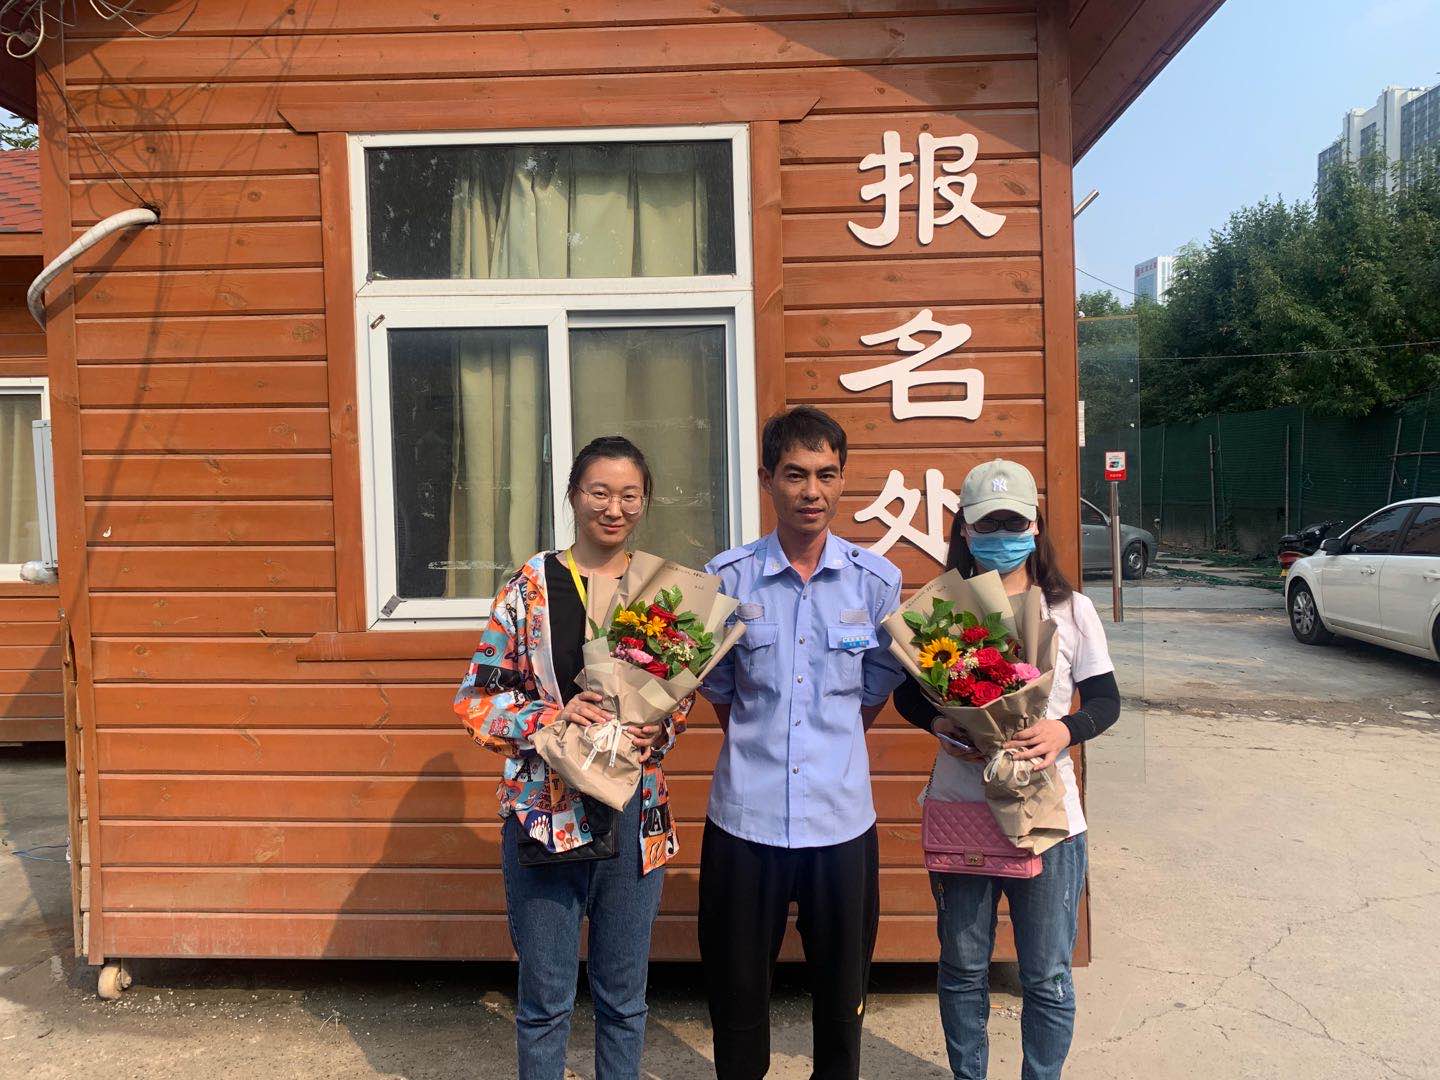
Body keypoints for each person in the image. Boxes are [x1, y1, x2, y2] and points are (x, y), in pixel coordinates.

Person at [454, 435, 689, 1080]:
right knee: (545, 1000)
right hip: (544, 810)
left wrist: (659, 732)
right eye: (599, 492)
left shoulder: (662, 589)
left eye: (629, 495)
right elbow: (477, 698)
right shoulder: (529, 589)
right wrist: (551, 718)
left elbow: (680, 697)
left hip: (635, 812)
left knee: (624, 999)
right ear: (573, 496)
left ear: (645, 501)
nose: (614, 508)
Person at [893, 458, 1121, 1080]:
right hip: (962, 808)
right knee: (963, 967)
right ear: (965, 531)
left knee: (1046, 973)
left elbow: (1106, 701)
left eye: (1013, 522)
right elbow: (908, 695)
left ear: (1035, 526)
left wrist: (1064, 730)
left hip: (1049, 818)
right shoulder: (941, 612)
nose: (1001, 534)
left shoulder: (1070, 610)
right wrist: (941, 725)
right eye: (987, 524)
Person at [698, 405, 906, 1080]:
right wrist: (764, 746)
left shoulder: (876, 582)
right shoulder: (726, 579)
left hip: (840, 822)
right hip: (746, 819)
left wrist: (827, 747)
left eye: (826, 474)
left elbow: (874, 687)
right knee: (737, 998)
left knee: (842, 1002)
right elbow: (719, 687)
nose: (811, 491)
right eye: (794, 474)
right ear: (767, 480)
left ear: (842, 480)